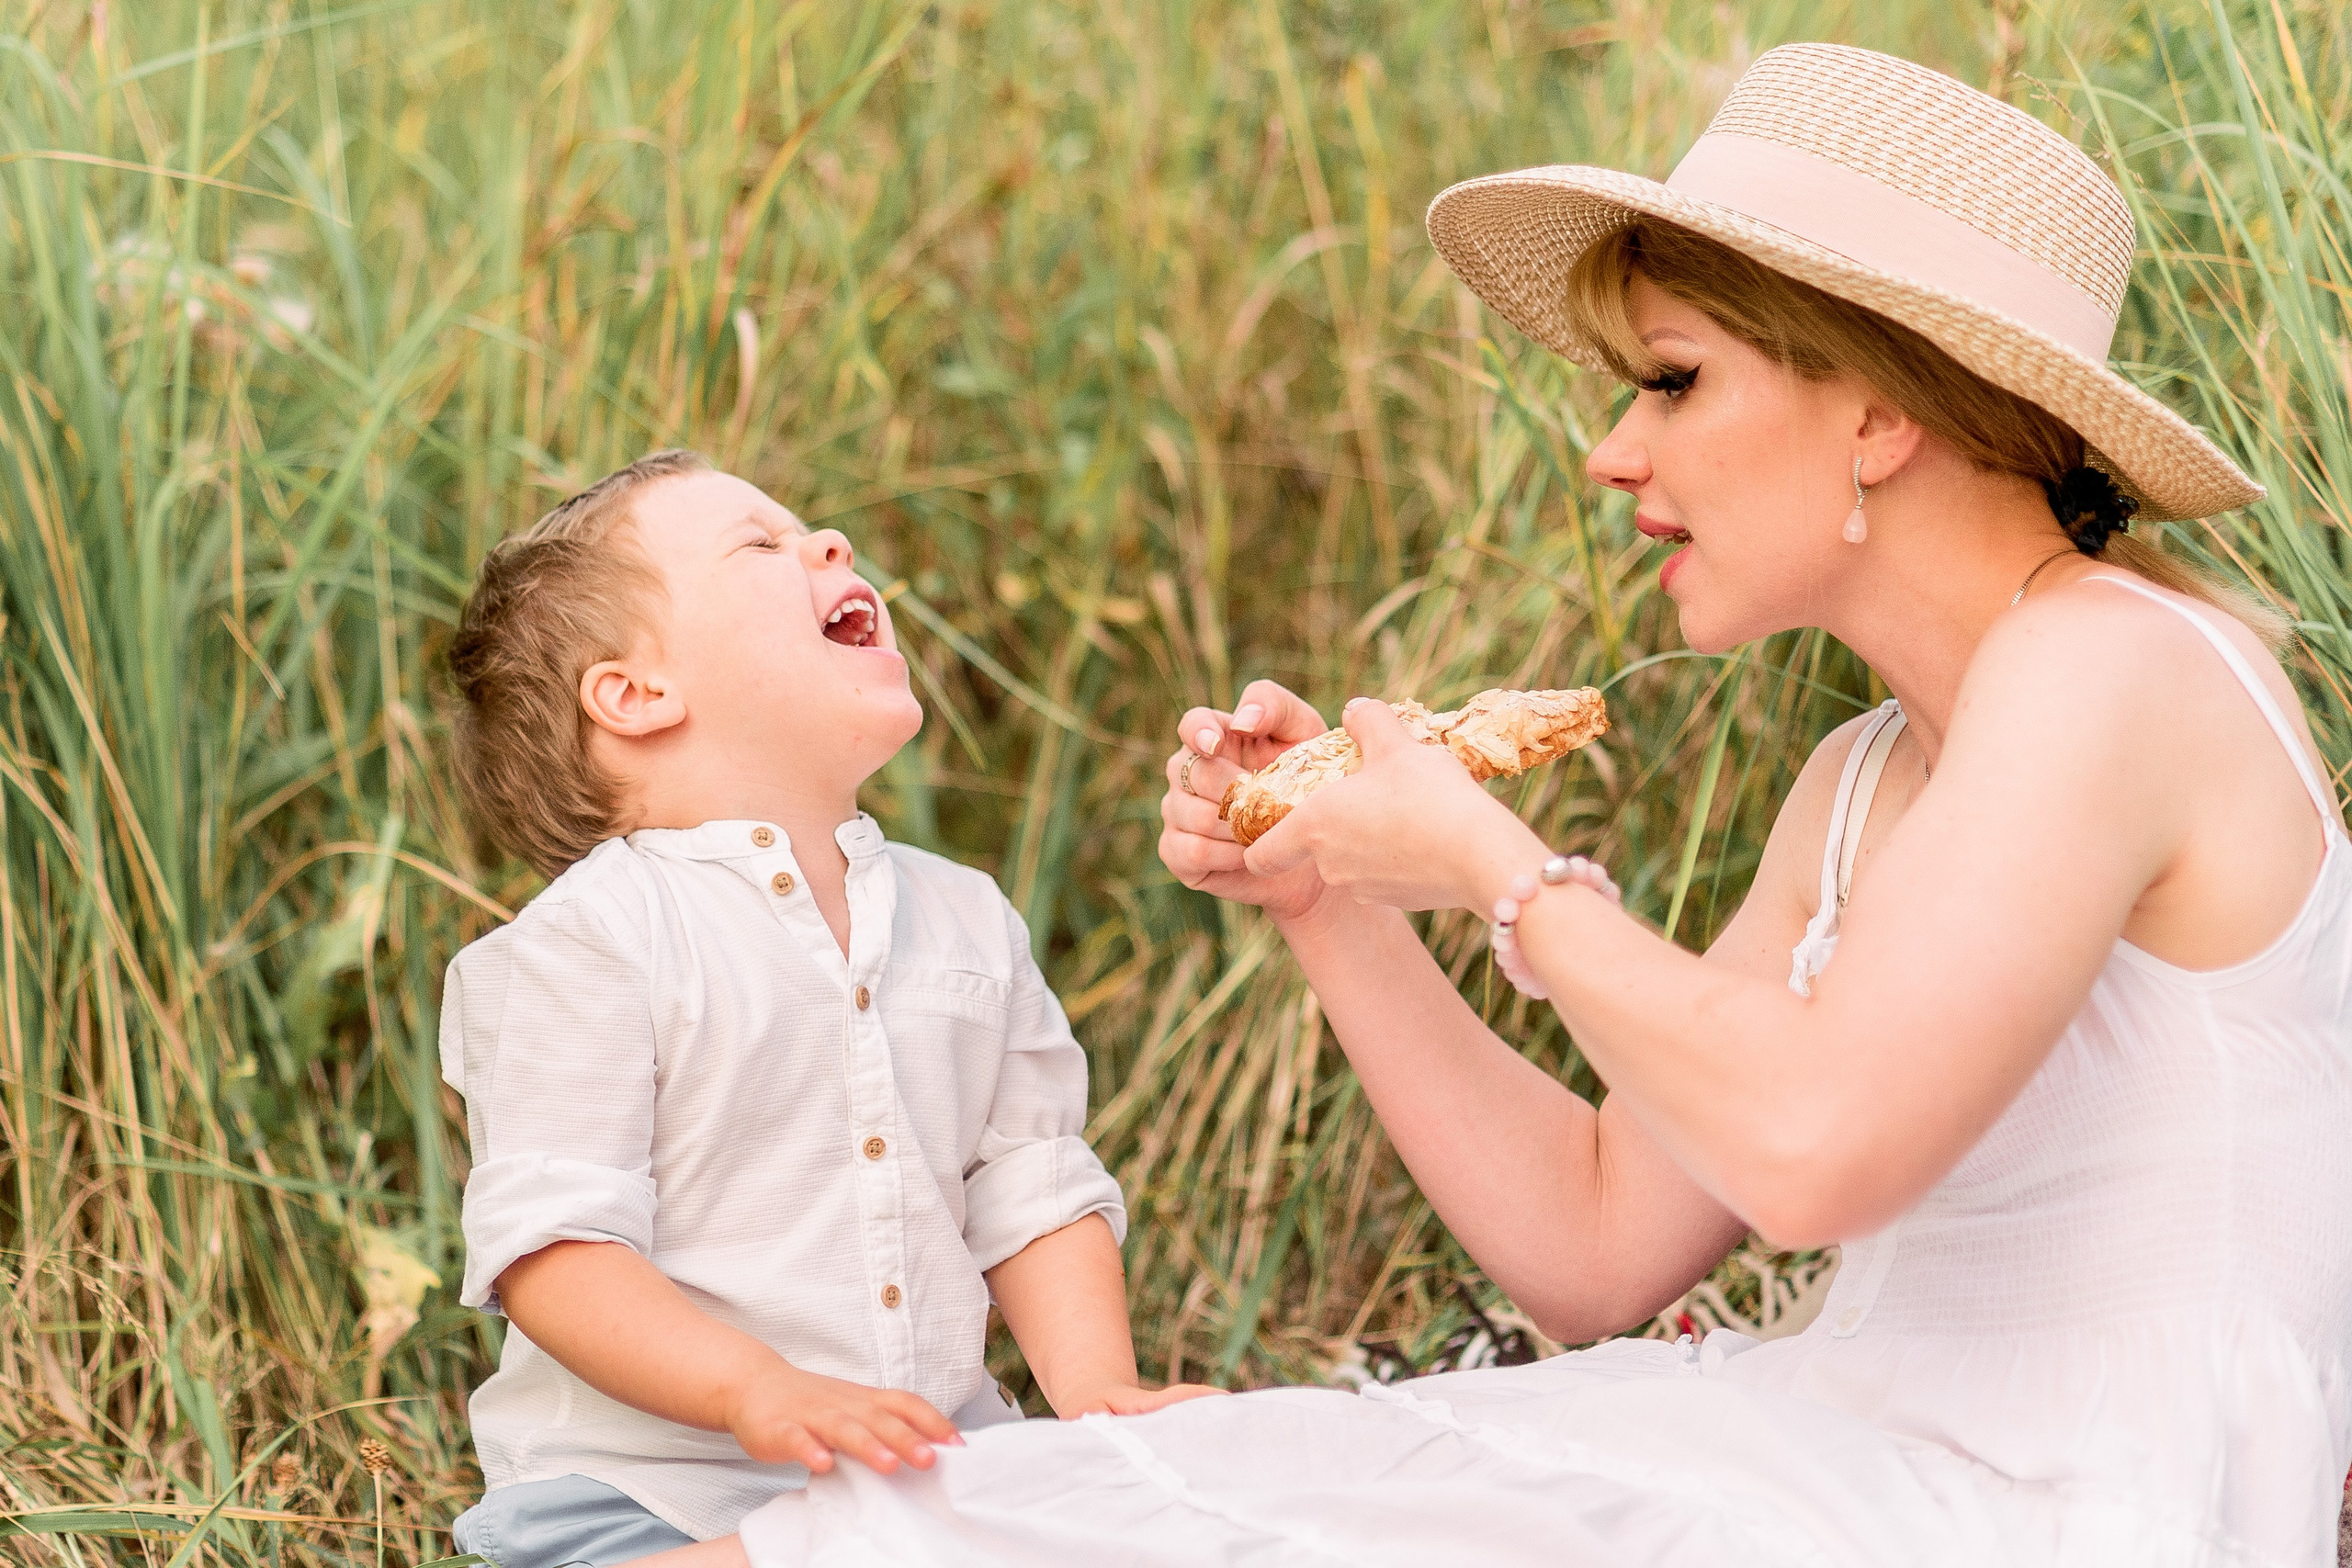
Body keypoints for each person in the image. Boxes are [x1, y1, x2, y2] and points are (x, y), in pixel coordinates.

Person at [681, 41, 2352, 1568]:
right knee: (948, 1516)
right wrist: (1330, 898)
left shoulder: (2112, 669)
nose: (1614, 454)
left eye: (1673, 381)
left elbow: (1819, 1148)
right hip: (1835, 1455)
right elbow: (1601, 1241)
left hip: (2053, 1513)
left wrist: (1494, 866)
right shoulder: (1865, 778)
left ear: (1879, 407)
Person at [437, 452, 1209, 1568]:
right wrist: (756, 1389)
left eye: (813, 533)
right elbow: (557, 1250)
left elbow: (1029, 1183)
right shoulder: (586, 942)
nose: (831, 547)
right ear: (635, 693)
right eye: (761, 545)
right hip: (647, 1497)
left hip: (931, 1478)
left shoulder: (968, 917)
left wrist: (1094, 1395)